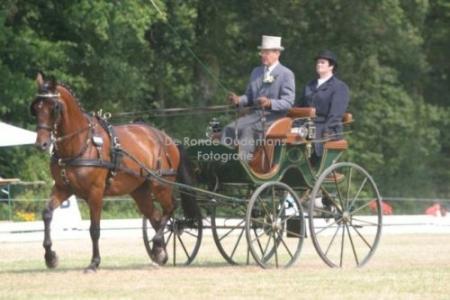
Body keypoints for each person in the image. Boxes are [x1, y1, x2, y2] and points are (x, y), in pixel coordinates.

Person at [221, 35, 295, 161]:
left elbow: (288, 102)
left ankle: (244, 164)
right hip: (255, 116)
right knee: (228, 128)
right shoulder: (256, 72)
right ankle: (223, 162)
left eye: (266, 52)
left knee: (247, 130)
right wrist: (239, 100)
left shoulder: (286, 74)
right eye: (262, 52)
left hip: (274, 118)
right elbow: (249, 97)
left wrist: (270, 103)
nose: (263, 55)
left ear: (277, 53)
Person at [297, 50, 350, 159]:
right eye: (317, 62)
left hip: (326, 127)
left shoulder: (339, 87)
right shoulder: (310, 85)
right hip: (306, 124)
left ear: (331, 66)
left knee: (312, 135)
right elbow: (299, 106)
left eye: (322, 62)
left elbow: (336, 114)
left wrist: (327, 130)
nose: (318, 64)